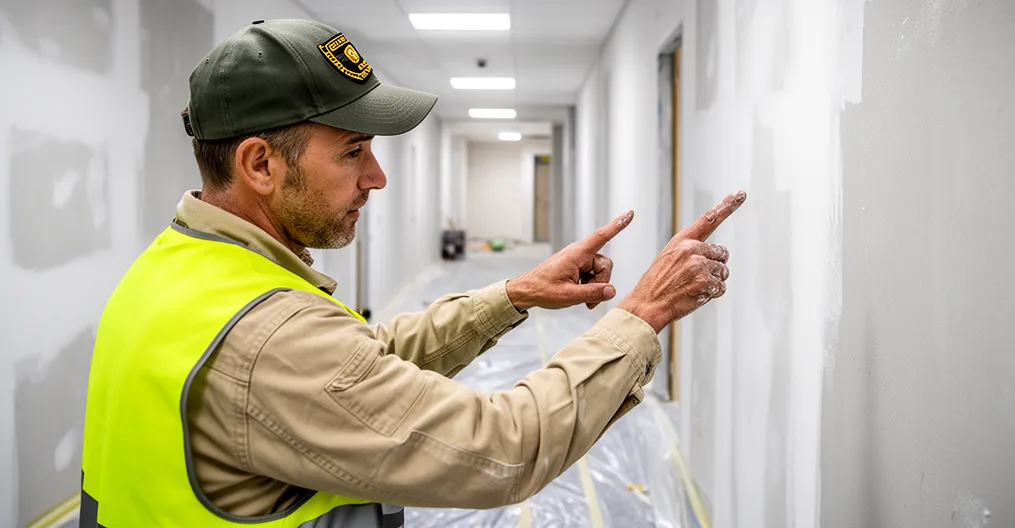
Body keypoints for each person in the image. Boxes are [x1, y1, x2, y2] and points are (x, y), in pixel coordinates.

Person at [79, 19, 746, 528]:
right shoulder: (268, 337)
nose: (377, 177)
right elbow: (502, 448)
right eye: (352, 152)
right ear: (260, 164)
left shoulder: (176, 269)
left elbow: (358, 367)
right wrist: (642, 314)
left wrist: (514, 294)